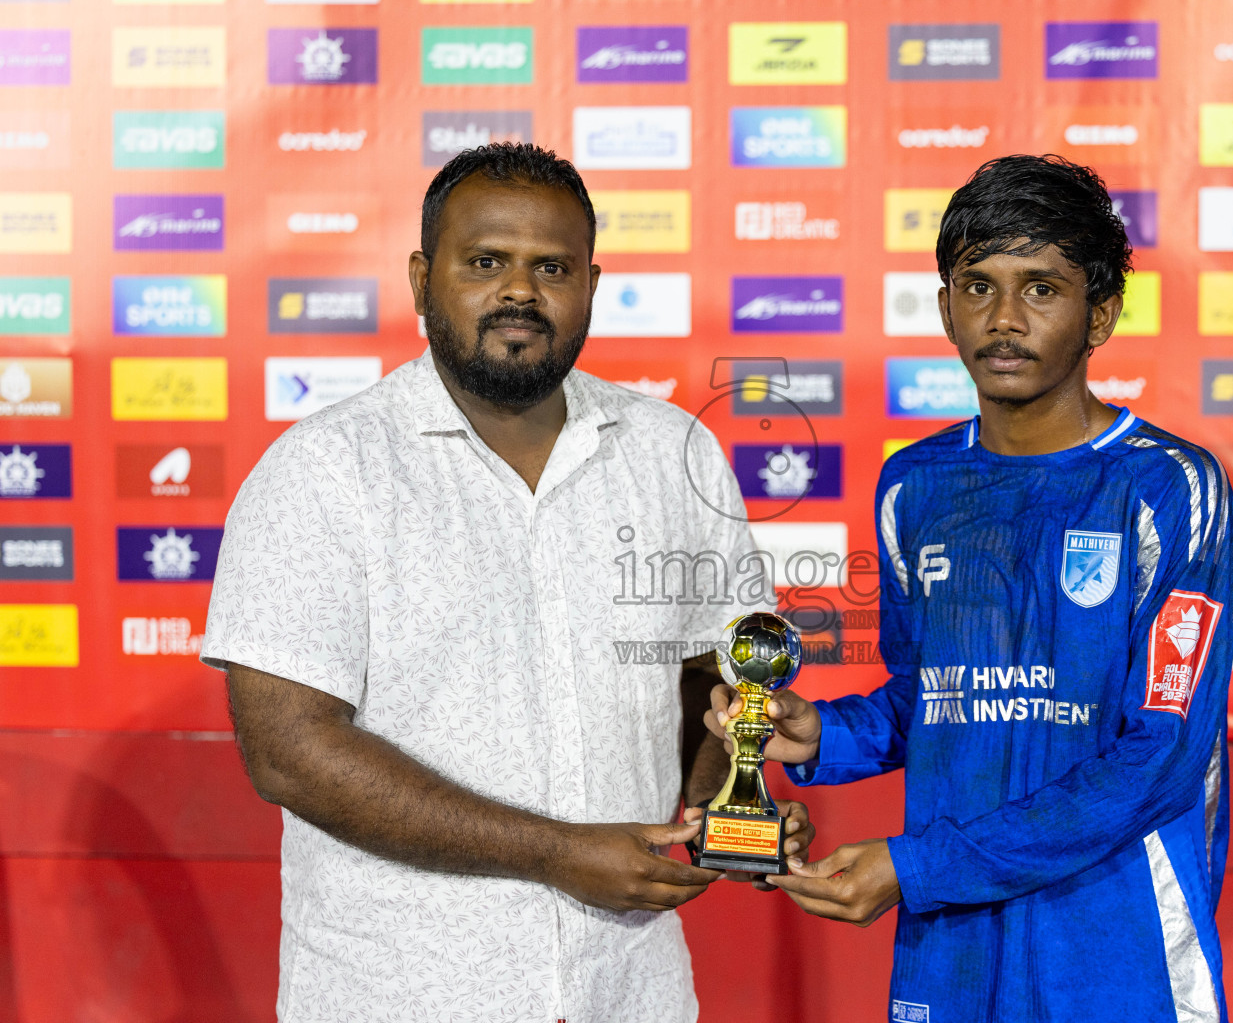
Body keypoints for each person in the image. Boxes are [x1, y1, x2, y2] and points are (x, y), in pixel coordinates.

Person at [202, 143, 809, 1022]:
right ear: (421, 279)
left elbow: (707, 688)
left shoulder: (674, 452)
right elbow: (289, 751)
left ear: (592, 286)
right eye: (486, 262)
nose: (519, 292)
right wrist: (555, 851)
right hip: (403, 994)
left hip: (626, 991)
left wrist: (732, 814)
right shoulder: (325, 470)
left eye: (551, 267)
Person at [709, 154, 1233, 1022]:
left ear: (1100, 312)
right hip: (951, 951)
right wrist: (814, 737)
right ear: (947, 304)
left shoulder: (1171, 486)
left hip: (1114, 950)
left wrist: (915, 868)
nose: (1004, 319)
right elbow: (932, 700)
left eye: (1041, 289)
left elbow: (1159, 760)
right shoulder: (913, 487)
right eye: (978, 285)